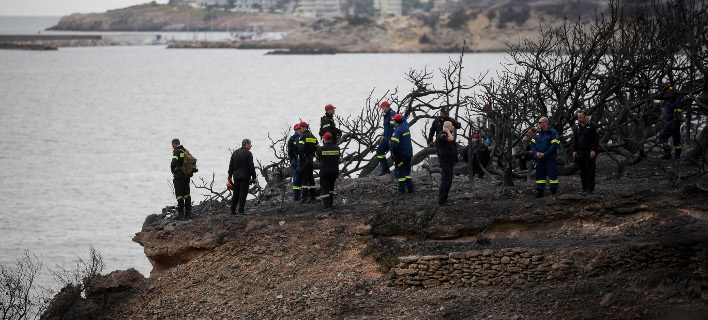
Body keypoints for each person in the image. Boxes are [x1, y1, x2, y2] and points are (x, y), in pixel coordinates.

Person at [531, 117, 560, 198]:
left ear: (545, 123)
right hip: (539, 158)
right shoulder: (537, 133)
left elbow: (554, 146)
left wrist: (545, 154)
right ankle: (540, 192)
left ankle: (553, 192)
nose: (538, 124)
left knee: (552, 175)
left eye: (540, 122)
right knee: (540, 176)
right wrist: (536, 153)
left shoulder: (553, 133)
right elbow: (532, 144)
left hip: (549, 158)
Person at [573, 109, 600, 196]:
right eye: (578, 117)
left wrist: (593, 150)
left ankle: (590, 189)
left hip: (589, 151)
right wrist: (574, 150)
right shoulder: (578, 127)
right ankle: (584, 188)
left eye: (581, 117)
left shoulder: (592, 125)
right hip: (580, 152)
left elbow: (596, 140)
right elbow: (575, 140)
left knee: (590, 170)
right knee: (583, 171)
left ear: (585, 116)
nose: (579, 119)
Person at [228, 139, 257, 214]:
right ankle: (241, 211)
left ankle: (232, 211)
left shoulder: (235, 153)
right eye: (250, 144)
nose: (251, 145)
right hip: (245, 177)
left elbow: (231, 165)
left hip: (236, 177)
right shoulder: (248, 154)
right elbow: (251, 166)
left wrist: (229, 175)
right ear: (246, 144)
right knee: (243, 194)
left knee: (235, 194)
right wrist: (254, 177)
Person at [375, 101, 405, 176]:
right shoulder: (386, 115)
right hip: (386, 137)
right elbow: (386, 127)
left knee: (394, 155)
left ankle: (398, 171)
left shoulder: (392, 114)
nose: (382, 109)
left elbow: (394, 127)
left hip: (391, 138)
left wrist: (392, 138)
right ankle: (385, 169)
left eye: (382, 107)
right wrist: (383, 135)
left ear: (385, 107)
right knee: (379, 151)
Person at [390, 114, 415, 193]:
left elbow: (394, 144)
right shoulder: (406, 128)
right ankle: (410, 187)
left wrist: (394, 153)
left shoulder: (397, 130)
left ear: (395, 121)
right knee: (407, 172)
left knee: (400, 172)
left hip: (401, 155)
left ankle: (401, 190)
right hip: (408, 154)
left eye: (393, 120)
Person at [658, 86, 685, 159]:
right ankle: (668, 154)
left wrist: (675, 124)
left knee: (676, 140)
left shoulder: (676, 103)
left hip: (674, 124)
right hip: (668, 123)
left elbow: (678, 115)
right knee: (663, 138)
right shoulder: (669, 102)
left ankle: (677, 155)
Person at [316, 132, 340, 209]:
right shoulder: (337, 148)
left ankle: (327, 205)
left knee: (325, 188)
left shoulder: (320, 149)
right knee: (331, 187)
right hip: (334, 171)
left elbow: (317, 156)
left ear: (325, 139)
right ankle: (331, 202)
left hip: (325, 171)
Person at [298, 121, 319, 203]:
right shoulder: (313, 137)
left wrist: (300, 155)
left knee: (304, 179)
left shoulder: (302, 136)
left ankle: (304, 198)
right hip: (310, 159)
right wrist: (314, 156)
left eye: (300, 128)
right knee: (311, 178)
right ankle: (313, 197)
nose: (299, 130)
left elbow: (300, 148)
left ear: (305, 128)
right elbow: (318, 148)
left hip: (304, 159)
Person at [437, 121, 457, 206]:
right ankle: (442, 200)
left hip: (449, 161)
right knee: (445, 181)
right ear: (446, 127)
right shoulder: (442, 135)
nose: (453, 127)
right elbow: (451, 139)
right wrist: (447, 131)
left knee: (448, 181)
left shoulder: (446, 134)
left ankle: (444, 198)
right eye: (451, 126)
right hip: (445, 161)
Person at [171, 138, 192, 219]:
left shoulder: (177, 151)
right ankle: (188, 213)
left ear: (174, 144)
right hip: (186, 175)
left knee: (179, 195)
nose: (172, 147)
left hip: (179, 176)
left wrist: (172, 169)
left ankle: (180, 214)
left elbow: (173, 162)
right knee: (187, 194)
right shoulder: (185, 151)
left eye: (172, 145)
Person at [287, 123, 303, 201]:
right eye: (301, 128)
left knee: (295, 177)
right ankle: (297, 197)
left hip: (293, 160)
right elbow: (300, 149)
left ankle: (296, 196)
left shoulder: (292, 138)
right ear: (298, 129)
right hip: (297, 160)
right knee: (298, 178)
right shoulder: (298, 138)